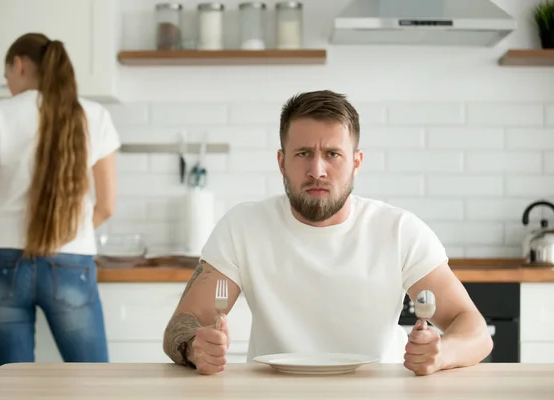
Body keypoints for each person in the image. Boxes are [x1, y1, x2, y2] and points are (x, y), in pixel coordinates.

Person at [163, 90, 493, 376]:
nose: (317, 170)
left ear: (356, 162)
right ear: (281, 162)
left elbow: (475, 330)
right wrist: (195, 347)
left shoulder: (399, 230)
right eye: (303, 153)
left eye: (332, 154)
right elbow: (183, 323)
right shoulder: (243, 226)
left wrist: (440, 354)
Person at [0, 33, 120, 367]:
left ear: (19, 65)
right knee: (93, 382)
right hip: (71, 262)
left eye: (7, 78)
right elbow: (106, 206)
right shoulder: (95, 115)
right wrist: (68, 231)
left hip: (4, 263)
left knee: (12, 386)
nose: (9, 87)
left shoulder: (0, 113)